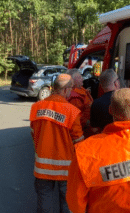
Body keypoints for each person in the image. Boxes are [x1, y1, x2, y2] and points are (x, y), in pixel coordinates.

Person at [29, 74, 84, 213]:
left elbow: (33, 133)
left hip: (42, 166)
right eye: (71, 89)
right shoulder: (71, 111)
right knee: (67, 202)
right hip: (66, 168)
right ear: (65, 90)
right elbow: (78, 141)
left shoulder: (36, 107)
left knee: (44, 200)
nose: (71, 92)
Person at [90, 69, 130, 135]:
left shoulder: (95, 104)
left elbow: (94, 129)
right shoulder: (128, 96)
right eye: (118, 79)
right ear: (116, 83)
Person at [67, 69, 93, 136]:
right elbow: (78, 118)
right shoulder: (74, 98)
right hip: (84, 130)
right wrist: (90, 124)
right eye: (79, 77)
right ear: (72, 81)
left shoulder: (81, 89)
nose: (82, 79)